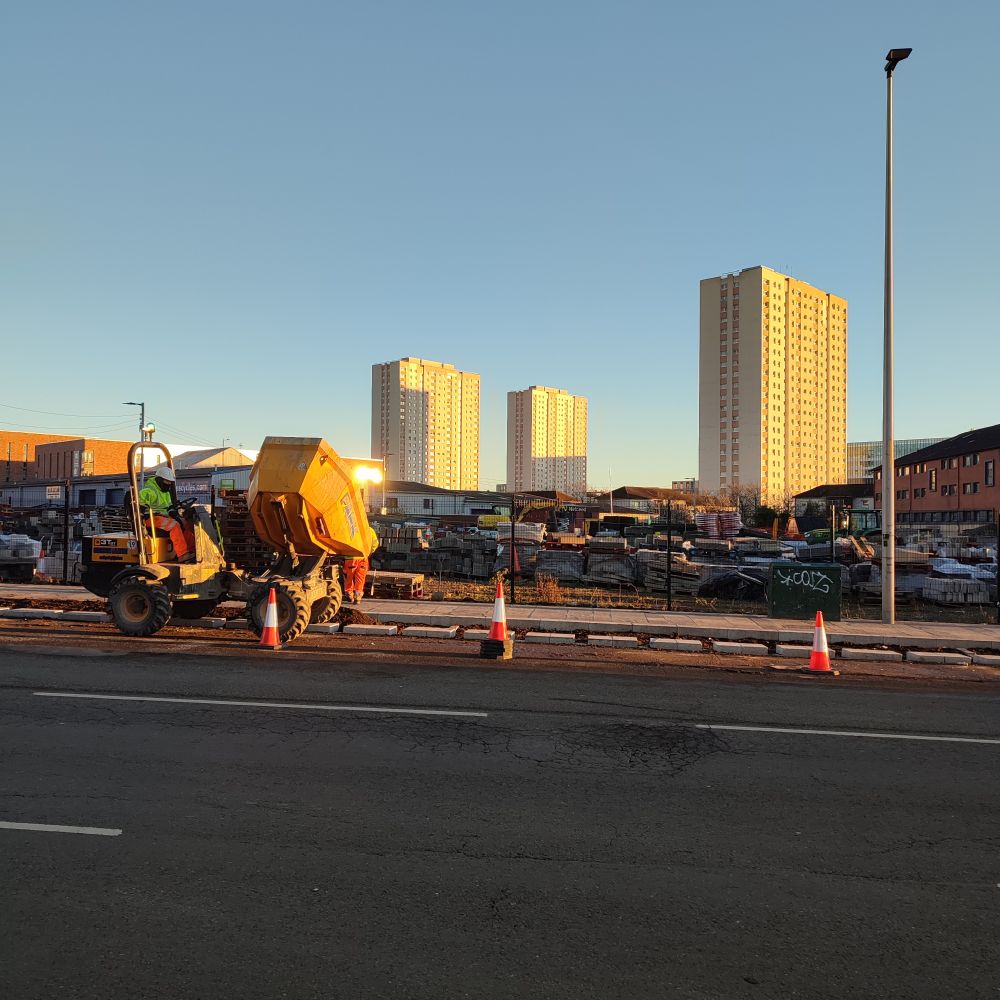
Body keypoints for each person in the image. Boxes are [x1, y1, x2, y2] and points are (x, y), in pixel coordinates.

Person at [138, 467, 196, 563]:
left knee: (184, 523)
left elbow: (169, 507)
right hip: (150, 518)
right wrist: (141, 513)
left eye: (170, 483)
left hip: (162, 517)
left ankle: (193, 550)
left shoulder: (165, 492)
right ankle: (182, 554)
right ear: (159, 480)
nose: (168, 485)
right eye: (166, 482)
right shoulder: (149, 491)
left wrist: (176, 515)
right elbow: (140, 505)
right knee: (174, 525)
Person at [343, 526, 379, 605]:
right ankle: (358, 597)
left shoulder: (349, 528)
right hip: (363, 558)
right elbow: (375, 543)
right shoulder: (370, 530)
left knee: (348, 577)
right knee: (360, 578)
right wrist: (368, 552)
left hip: (350, 558)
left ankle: (349, 594)